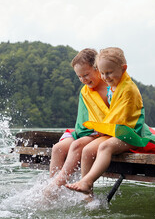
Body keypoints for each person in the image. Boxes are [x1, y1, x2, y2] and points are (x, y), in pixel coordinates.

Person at [65, 47, 155, 197]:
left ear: (123, 68)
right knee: (87, 150)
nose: (105, 77)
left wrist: (102, 128)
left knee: (105, 147)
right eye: (102, 73)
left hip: (132, 134)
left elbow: (120, 117)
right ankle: (88, 197)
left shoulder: (128, 89)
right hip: (118, 132)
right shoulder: (113, 86)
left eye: (109, 73)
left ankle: (87, 182)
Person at [46, 48, 109, 191]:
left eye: (86, 75)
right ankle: (54, 192)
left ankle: (57, 183)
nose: (83, 80)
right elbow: (82, 120)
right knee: (57, 148)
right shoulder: (85, 91)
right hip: (83, 131)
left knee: (76, 146)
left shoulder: (109, 88)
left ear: (97, 68)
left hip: (100, 133)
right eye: (79, 77)